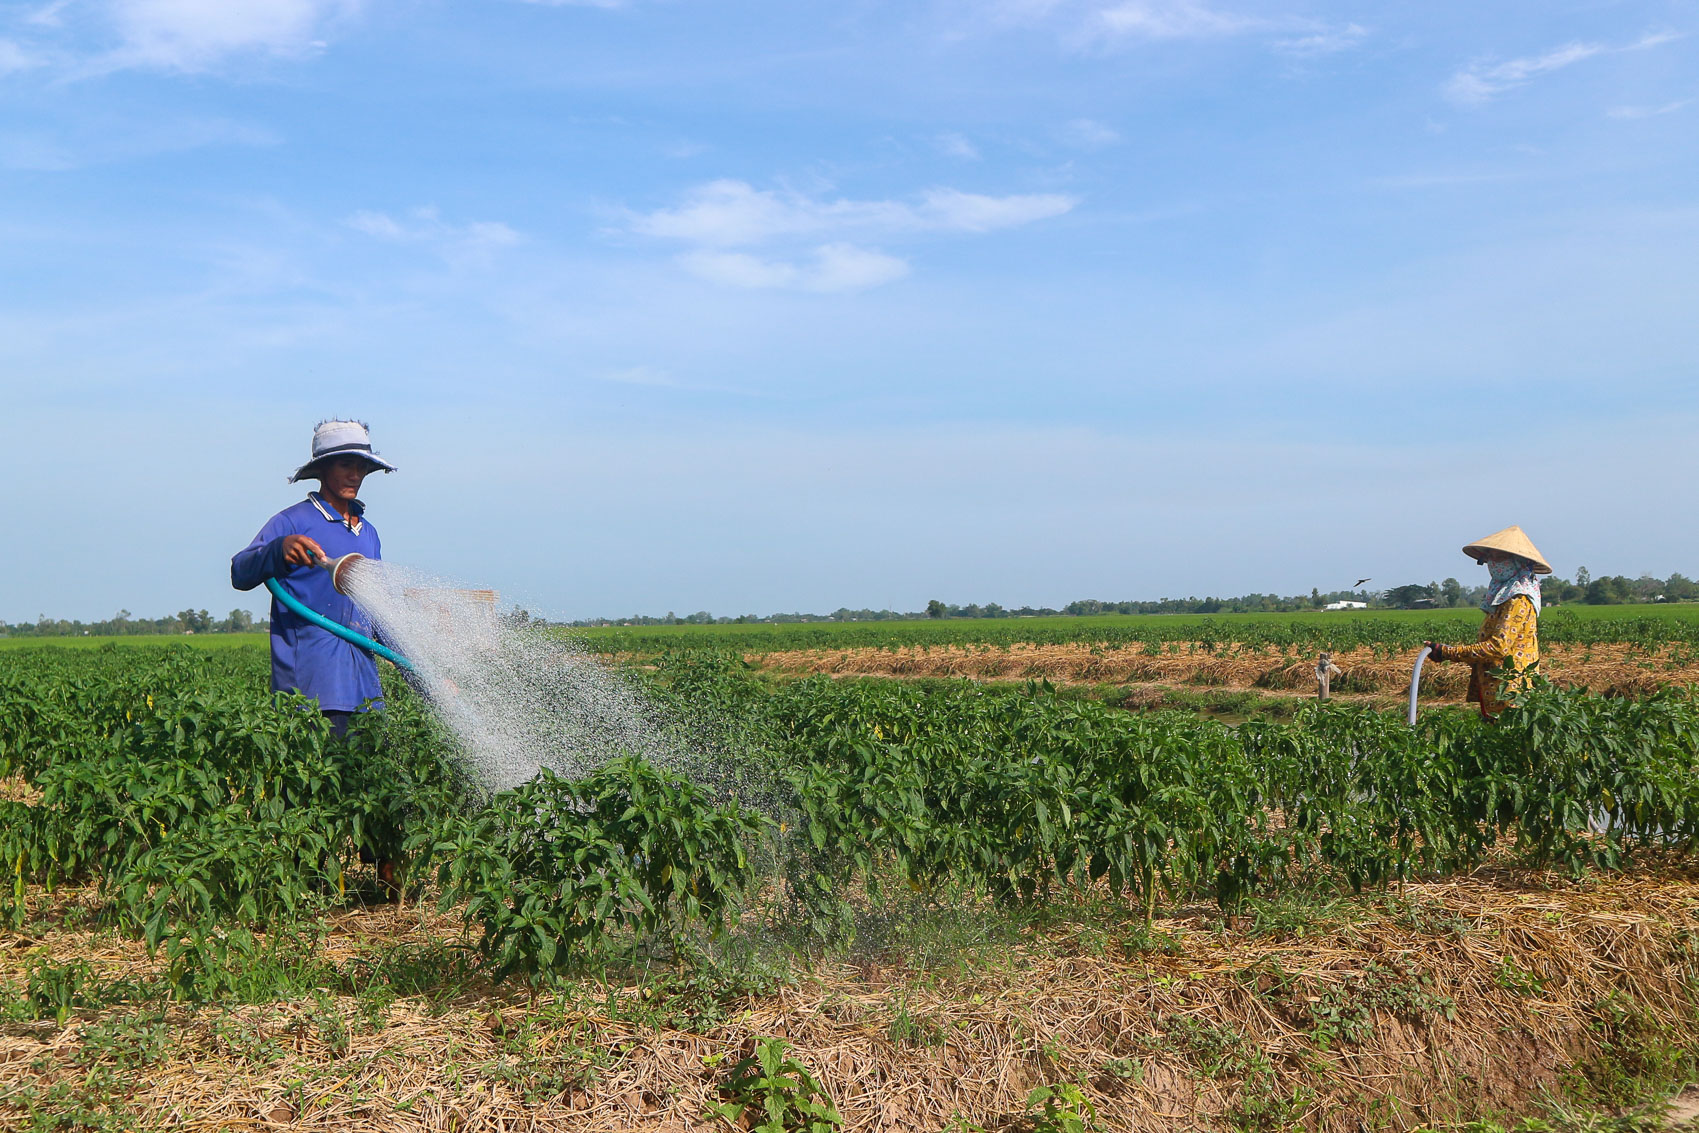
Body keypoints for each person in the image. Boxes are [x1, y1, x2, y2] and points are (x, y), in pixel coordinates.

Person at [231, 419, 400, 891]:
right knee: (315, 790)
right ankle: (314, 888)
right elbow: (241, 570)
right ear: (324, 469)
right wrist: (279, 551)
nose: (355, 473)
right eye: (346, 463)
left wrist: (418, 667)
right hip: (311, 685)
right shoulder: (292, 523)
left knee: (378, 783)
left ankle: (387, 882)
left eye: (362, 465)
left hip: (364, 684)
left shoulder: (367, 533)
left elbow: (381, 610)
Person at [1424, 525, 1550, 719]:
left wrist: (1449, 652)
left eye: (1497, 557)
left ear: (1517, 562)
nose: (1492, 563)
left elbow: (1498, 647)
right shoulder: (1503, 598)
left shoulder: (1518, 599)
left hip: (1511, 695)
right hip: (1496, 690)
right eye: (1488, 558)